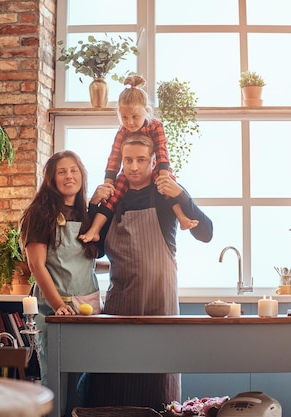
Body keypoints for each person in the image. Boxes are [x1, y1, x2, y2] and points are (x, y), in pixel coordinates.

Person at [83, 133, 213, 410]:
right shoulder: (114, 199)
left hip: (160, 307)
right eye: (128, 160)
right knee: (114, 384)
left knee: (158, 387)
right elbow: (94, 251)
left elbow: (206, 233)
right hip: (120, 304)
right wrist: (93, 205)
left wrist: (183, 195)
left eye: (141, 160)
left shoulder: (166, 194)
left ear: (154, 161)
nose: (133, 167)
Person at [79, 75, 199, 244]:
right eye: (125, 117)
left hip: (158, 168)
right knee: (111, 197)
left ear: (147, 112)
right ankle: (95, 229)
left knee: (167, 187)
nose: (130, 122)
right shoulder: (122, 132)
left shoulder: (155, 126)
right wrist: (109, 183)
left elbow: (161, 150)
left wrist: (164, 176)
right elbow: (114, 157)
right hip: (123, 267)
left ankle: (182, 218)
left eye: (135, 117)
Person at [19, 150, 104, 385]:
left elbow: (86, 260)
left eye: (74, 170)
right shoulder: (39, 214)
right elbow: (36, 265)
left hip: (88, 308)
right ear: (52, 178)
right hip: (55, 309)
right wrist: (58, 305)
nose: (69, 176)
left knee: (83, 381)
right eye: (62, 172)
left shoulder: (87, 215)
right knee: (55, 379)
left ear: (82, 176)